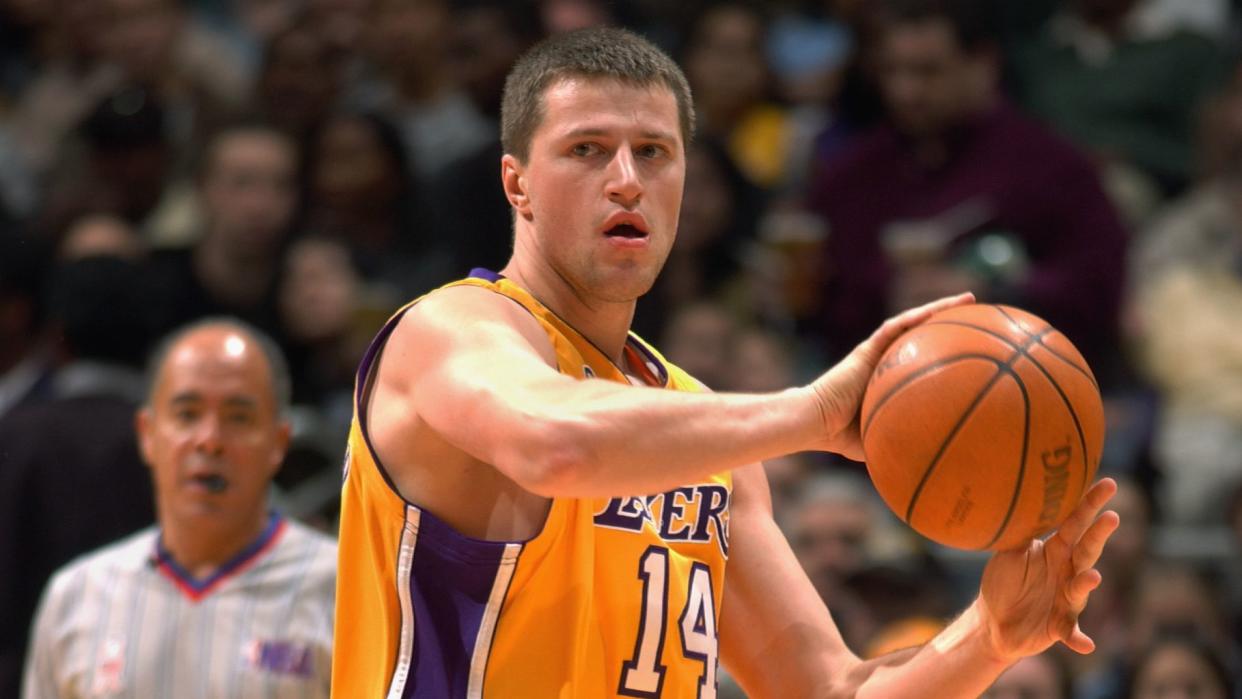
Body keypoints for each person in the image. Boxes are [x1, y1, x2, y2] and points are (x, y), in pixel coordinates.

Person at [332, 27, 1119, 698]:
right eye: (586, 150)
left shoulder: (704, 431)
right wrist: (808, 414)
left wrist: (991, 635)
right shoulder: (448, 329)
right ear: (518, 184)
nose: (627, 180)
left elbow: (828, 689)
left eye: (654, 152)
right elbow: (555, 441)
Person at [806, 0, 1129, 378]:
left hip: (1020, 383)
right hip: (871, 385)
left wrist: (993, 293)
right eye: (891, 71)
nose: (904, 92)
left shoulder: (1049, 166)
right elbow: (825, 298)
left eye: (927, 72)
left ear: (983, 65)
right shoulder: (852, 176)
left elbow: (1098, 285)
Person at [23, 319, 337, 698]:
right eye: (187, 414)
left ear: (279, 442)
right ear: (147, 435)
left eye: (238, 417)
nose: (209, 441)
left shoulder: (342, 590)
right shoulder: (76, 596)